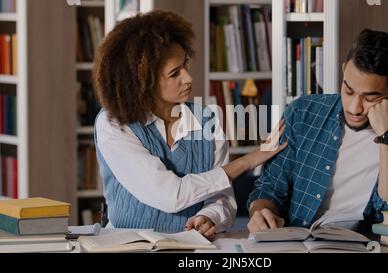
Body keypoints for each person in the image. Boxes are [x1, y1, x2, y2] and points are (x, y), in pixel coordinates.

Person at [92, 10, 287, 239]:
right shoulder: (113, 124)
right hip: (128, 245)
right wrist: (246, 162)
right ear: (143, 83)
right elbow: (171, 195)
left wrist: (210, 216)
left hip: (190, 246)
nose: (188, 78)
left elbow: (223, 199)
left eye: (185, 63)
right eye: (175, 74)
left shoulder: (207, 119)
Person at [247, 29, 388, 232]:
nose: (354, 107)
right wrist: (260, 212)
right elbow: (270, 188)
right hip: (300, 245)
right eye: (348, 90)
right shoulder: (302, 112)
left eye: (370, 97)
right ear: (343, 71)